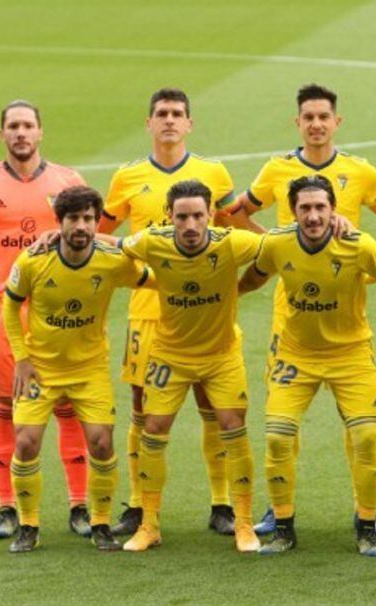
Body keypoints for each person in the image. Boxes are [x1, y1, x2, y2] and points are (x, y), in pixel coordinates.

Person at [222, 83, 376, 535]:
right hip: (293, 314)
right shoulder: (278, 169)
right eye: (308, 117)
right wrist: (278, 245)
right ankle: (278, 509)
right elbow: (234, 213)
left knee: (359, 425)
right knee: (285, 423)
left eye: (324, 116)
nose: (317, 124)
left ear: (337, 122)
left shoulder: (360, 172)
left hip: (347, 305)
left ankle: (367, 509)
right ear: (298, 122)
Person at [237, 175, 376, 556]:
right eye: (305, 208)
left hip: (351, 356)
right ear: (294, 212)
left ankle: (366, 527)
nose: (313, 216)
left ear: (334, 210)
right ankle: (283, 528)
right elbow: (252, 279)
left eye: (320, 208)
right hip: (296, 356)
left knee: (365, 438)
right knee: (278, 437)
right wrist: (225, 297)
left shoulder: (358, 245)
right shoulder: (276, 244)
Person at [99, 88, 239, 537]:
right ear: (148, 123)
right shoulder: (127, 177)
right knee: (143, 411)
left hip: (207, 309)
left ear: (190, 123)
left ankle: (221, 503)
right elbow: (100, 234)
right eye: (161, 114)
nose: (169, 121)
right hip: (148, 311)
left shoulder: (213, 173)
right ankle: (139, 506)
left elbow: (234, 230)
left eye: (178, 114)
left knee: (214, 406)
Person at [0, 99, 90, 540]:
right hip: (1, 310)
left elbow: (92, 240)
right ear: (2, 134)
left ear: (41, 132)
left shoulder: (68, 182)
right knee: (6, 409)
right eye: (13, 126)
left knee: (69, 407)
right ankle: (7, 509)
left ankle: (80, 507)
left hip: (58, 311)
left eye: (28, 125)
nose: (21, 133)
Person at [114, 180, 261, 554]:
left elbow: (278, 246)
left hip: (222, 355)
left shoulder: (230, 242)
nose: (192, 225)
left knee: (233, 426)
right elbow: (115, 247)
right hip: (169, 356)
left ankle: (244, 525)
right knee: (154, 426)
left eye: (199, 215)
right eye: (183, 217)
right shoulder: (151, 242)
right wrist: (55, 236)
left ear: (211, 214)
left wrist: (246, 285)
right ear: (170, 217)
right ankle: (149, 526)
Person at [2, 186, 151, 552]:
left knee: (101, 443)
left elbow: (154, 278)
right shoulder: (33, 261)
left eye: (88, 218)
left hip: (90, 370)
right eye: (73, 219)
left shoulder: (112, 260)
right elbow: (10, 306)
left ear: (97, 222)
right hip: (40, 369)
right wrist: (21, 358)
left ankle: (100, 524)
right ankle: (28, 525)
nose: (81, 226)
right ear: (59, 221)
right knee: (25, 441)